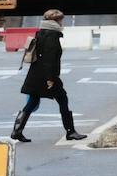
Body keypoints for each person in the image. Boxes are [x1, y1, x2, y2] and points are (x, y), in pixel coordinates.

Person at [11, 10, 86, 143]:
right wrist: (50, 78)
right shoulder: (52, 36)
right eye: (60, 20)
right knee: (63, 99)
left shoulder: (41, 33)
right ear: (56, 21)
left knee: (32, 102)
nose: (62, 23)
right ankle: (71, 131)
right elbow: (50, 59)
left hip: (35, 74)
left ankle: (17, 130)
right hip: (46, 76)